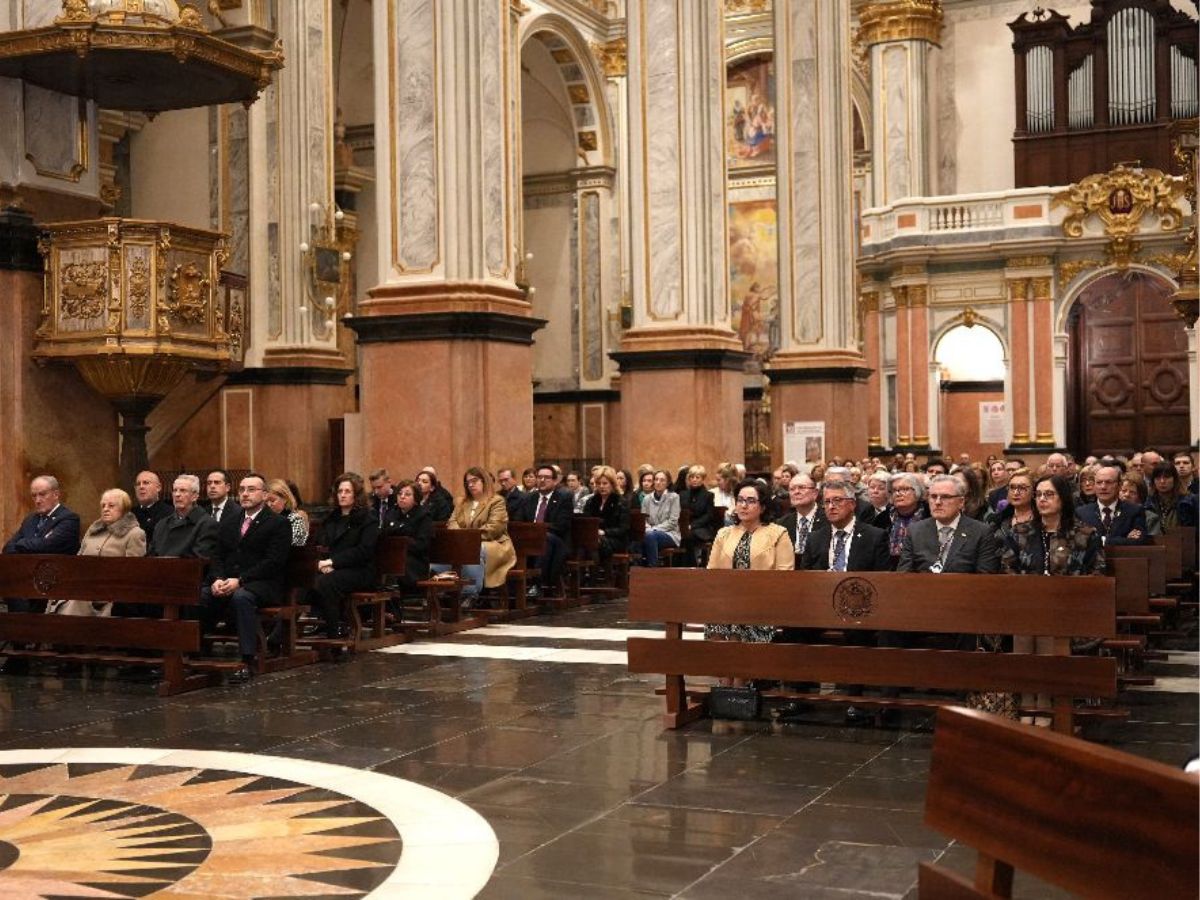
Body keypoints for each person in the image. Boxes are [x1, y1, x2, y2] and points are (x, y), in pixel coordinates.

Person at [999, 473, 1105, 723]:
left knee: (1046, 626)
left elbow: (1097, 575)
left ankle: (1044, 704)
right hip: (1027, 608)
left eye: (1049, 494)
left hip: (1071, 613)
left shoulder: (1084, 533)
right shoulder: (1020, 532)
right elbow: (1006, 569)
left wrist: (1063, 597)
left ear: (1063, 499)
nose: (1042, 499)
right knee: (1026, 627)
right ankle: (1027, 702)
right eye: (1038, 495)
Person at [199, 473, 292, 684]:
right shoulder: (230, 521)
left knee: (241, 598)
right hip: (231, 580)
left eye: (251, 489)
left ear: (265, 494)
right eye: (242, 489)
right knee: (204, 595)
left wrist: (240, 580)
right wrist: (217, 578)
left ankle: (247, 659)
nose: (245, 494)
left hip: (263, 584)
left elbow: (273, 562)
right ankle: (194, 651)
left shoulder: (278, 523)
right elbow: (217, 555)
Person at [705, 479, 794, 657]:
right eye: (740, 500)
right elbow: (712, 573)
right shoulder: (724, 533)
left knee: (740, 621)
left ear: (763, 507)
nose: (744, 505)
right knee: (718, 619)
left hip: (763, 603)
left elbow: (785, 577)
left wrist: (755, 598)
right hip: (727, 602)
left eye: (751, 501)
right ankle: (725, 679)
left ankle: (739, 680)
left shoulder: (778, 533)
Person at [48, 489, 146, 617]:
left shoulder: (135, 534)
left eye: (111, 506)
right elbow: (78, 561)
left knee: (76, 603)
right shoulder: (93, 530)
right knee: (55, 596)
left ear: (124, 509)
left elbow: (133, 572)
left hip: (109, 596)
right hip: (82, 588)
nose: (105, 509)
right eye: (103, 506)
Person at [307, 472, 380, 640]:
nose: (343, 495)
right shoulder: (332, 518)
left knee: (326, 583)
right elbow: (319, 544)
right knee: (304, 580)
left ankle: (334, 631)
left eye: (347, 491)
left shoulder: (368, 519)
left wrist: (333, 562)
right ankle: (285, 633)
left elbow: (364, 551)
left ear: (356, 494)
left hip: (360, 571)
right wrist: (322, 563)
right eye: (340, 491)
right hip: (332, 568)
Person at [897, 475, 999, 574]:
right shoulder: (915, 531)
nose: (937, 502)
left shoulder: (981, 532)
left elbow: (985, 578)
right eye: (933, 496)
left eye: (945, 497)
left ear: (961, 502)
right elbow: (904, 576)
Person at [446, 467, 516, 602]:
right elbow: (452, 522)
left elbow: (494, 528)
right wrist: (464, 538)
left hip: (494, 544)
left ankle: (470, 594)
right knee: (444, 552)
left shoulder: (496, 501)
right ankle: (443, 590)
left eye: (474, 481)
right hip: (464, 543)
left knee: (475, 549)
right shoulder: (461, 502)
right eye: (468, 482)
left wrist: (467, 538)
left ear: (484, 481)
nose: (471, 484)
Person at [516, 463, 573, 596]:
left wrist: (537, 531)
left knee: (545, 538)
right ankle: (513, 587)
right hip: (529, 538)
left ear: (555, 480)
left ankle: (539, 583)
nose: (542, 480)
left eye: (546, 477)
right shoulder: (528, 498)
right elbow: (519, 520)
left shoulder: (563, 498)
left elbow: (561, 525)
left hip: (556, 540)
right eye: (539, 477)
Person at [150, 474, 220, 560]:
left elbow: (199, 560)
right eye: (175, 490)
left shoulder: (206, 524)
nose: (177, 494)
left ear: (195, 496)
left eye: (183, 490)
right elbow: (151, 557)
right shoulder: (162, 524)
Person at [381, 479, 432, 594]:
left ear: (416, 499)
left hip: (414, 562)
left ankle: (392, 595)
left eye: (407, 494)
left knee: (397, 562)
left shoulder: (423, 516)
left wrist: (401, 539)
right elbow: (383, 537)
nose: (402, 497)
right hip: (392, 558)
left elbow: (422, 546)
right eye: (400, 494)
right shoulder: (391, 514)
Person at [1076, 465, 1148, 545]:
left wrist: (1099, 541)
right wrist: (1124, 539)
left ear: (1119, 486)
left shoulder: (1134, 511)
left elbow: (1138, 541)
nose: (1103, 487)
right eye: (1099, 483)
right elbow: (1080, 542)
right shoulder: (1081, 513)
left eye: (1108, 482)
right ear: (1095, 486)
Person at [776, 472, 825, 566]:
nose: (796, 492)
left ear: (815, 493)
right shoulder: (782, 523)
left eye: (801, 487)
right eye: (792, 489)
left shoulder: (828, 520)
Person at [582, 466, 629, 563]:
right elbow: (586, 521)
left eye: (605, 483)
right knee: (582, 542)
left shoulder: (621, 502)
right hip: (594, 537)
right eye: (598, 483)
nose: (601, 486)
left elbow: (623, 529)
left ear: (612, 484)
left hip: (615, 539)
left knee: (595, 542)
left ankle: (595, 573)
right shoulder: (591, 501)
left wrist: (604, 532)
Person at [886, 472, 927, 570]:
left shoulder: (929, 515)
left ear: (917, 491)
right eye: (894, 490)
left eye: (904, 489)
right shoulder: (882, 518)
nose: (898, 493)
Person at [641, 469, 681, 567]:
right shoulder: (647, 499)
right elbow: (643, 519)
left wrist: (653, 529)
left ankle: (653, 568)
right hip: (649, 532)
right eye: (656, 479)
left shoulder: (674, 497)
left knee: (651, 536)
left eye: (662, 480)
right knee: (638, 539)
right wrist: (648, 528)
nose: (658, 482)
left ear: (667, 483)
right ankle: (639, 570)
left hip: (670, 534)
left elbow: (672, 522)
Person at [1144, 461, 1198, 532]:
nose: (1162, 481)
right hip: (1156, 541)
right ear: (1153, 481)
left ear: (1174, 479)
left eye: (1166, 477)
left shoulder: (1189, 501)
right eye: (1158, 478)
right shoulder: (1149, 503)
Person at [679, 464, 716, 564]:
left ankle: (691, 566)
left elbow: (709, 516)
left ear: (703, 479)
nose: (694, 479)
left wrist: (692, 525)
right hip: (684, 527)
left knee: (688, 536)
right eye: (692, 477)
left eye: (697, 477)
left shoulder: (708, 495)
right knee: (680, 536)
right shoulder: (683, 494)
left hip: (701, 528)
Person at [265, 479, 310, 547]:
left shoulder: (295, 518)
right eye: (266, 501)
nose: (268, 504)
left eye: (272, 500)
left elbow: (296, 546)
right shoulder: (264, 518)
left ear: (285, 499)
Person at [132, 470, 172, 538]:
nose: (141, 487)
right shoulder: (130, 514)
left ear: (158, 487)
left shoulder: (169, 514)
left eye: (146, 483)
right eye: (138, 484)